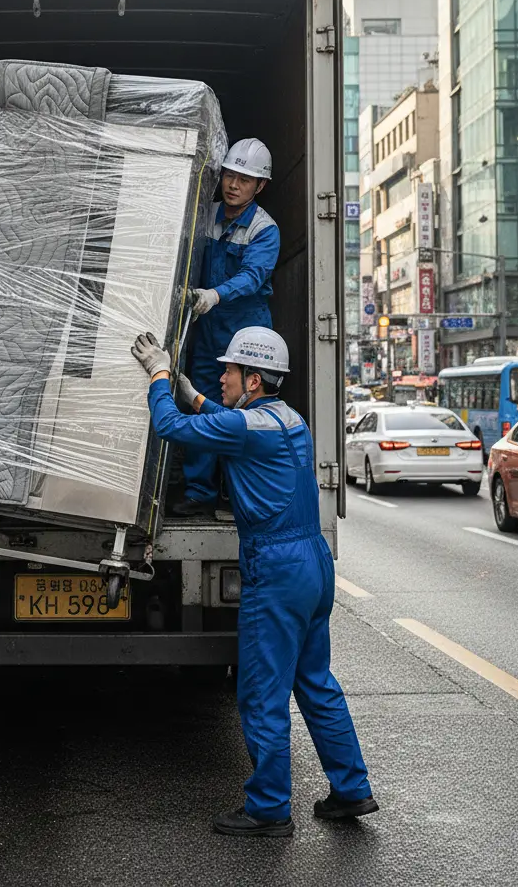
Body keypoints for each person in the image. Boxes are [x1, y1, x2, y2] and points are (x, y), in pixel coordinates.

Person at [132, 327, 377, 838]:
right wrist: (188, 388)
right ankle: (351, 789)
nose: (221, 377)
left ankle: (268, 808)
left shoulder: (248, 428)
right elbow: (226, 422)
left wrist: (159, 376)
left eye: (229, 371)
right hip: (313, 560)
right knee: (315, 682)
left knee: (262, 692)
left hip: (277, 569)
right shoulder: (287, 420)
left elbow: (169, 426)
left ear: (255, 379)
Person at [178, 138, 279, 522]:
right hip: (207, 332)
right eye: (230, 175)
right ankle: (199, 493)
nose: (233, 184)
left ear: (260, 186)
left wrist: (215, 295)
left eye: (245, 179)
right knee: (202, 407)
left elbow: (253, 276)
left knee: (246, 415)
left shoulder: (263, 229)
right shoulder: (206, 215)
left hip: (248, 338)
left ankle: (236, 494)